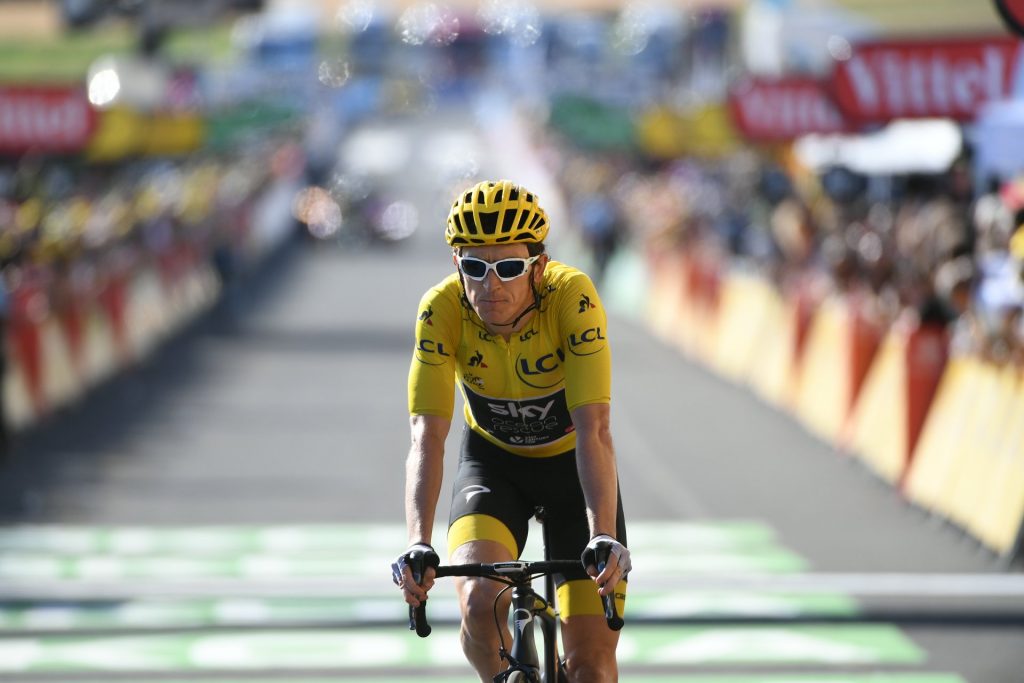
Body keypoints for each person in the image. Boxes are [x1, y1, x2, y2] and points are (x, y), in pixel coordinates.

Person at [392, 180, 630, 682]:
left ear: (538, 267)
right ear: (458, 265)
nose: (490, 284)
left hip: (573, 472)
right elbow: (426, 436)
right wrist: (418, 541)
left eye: (508, 267)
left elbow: (595, 430)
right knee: (480, 605)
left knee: (591, 666)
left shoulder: (572, 297)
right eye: (475, 267)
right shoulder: (441, 309)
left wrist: (603, 534)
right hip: (493, 466)